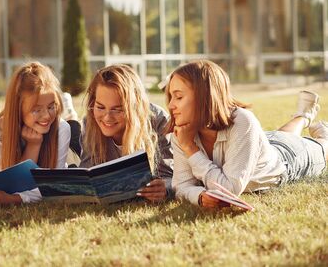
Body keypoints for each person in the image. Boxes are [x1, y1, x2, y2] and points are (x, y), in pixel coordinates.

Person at [166, 60, 327, 208]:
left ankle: (320, 132)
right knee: (282, 135)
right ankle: (303, 116)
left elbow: (229, 188)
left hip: (288, 159)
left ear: (205, 96)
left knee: (322, 147)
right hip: (265, 144)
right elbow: (181, 186)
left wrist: (190, 148)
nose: (171, 105)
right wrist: (199, 196)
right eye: (171, 97)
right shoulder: (181, 131)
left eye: (178, 97)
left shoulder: (243, 121)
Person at [0, 62, 71, 208]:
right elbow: (8, 187)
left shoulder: (61, 128)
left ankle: (69, 110)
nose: (46, 116)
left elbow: (54, 187)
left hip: (71, 153)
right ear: (18, 109)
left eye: (51, 106)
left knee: (73, 125)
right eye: (36, 110)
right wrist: (33, 145)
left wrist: (15, 199)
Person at [80, 64, 174, 202]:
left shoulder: (158, 120)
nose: (107, 118)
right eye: (100, 107)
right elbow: (87, 173)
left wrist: (164, 188)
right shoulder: (90, 123)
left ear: (134, 107)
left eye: (117, 109)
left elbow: (170, 176)